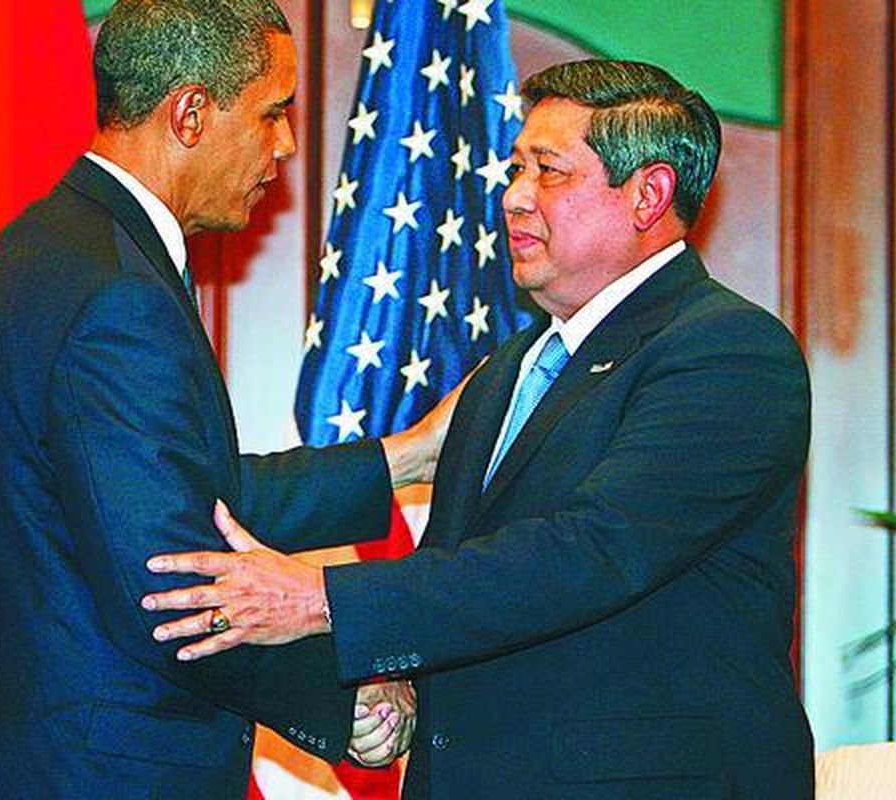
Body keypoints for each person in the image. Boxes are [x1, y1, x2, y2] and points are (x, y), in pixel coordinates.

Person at [141, 58, 815, 798]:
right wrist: (399, 681)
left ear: (648, 195)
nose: (515, 197)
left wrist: (319, 599)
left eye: (550, 171)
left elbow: (589, 552)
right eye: (516, 167)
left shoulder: (727, 351)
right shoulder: (513, 366)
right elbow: (465, 564)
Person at [0, 1, 432, 796]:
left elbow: (185, 496)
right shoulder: (115, 295)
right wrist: (343, 699)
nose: (286, 145)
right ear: (191, 112)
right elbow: (172, 580)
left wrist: (404, 458)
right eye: (271, 114)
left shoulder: (47, 247)